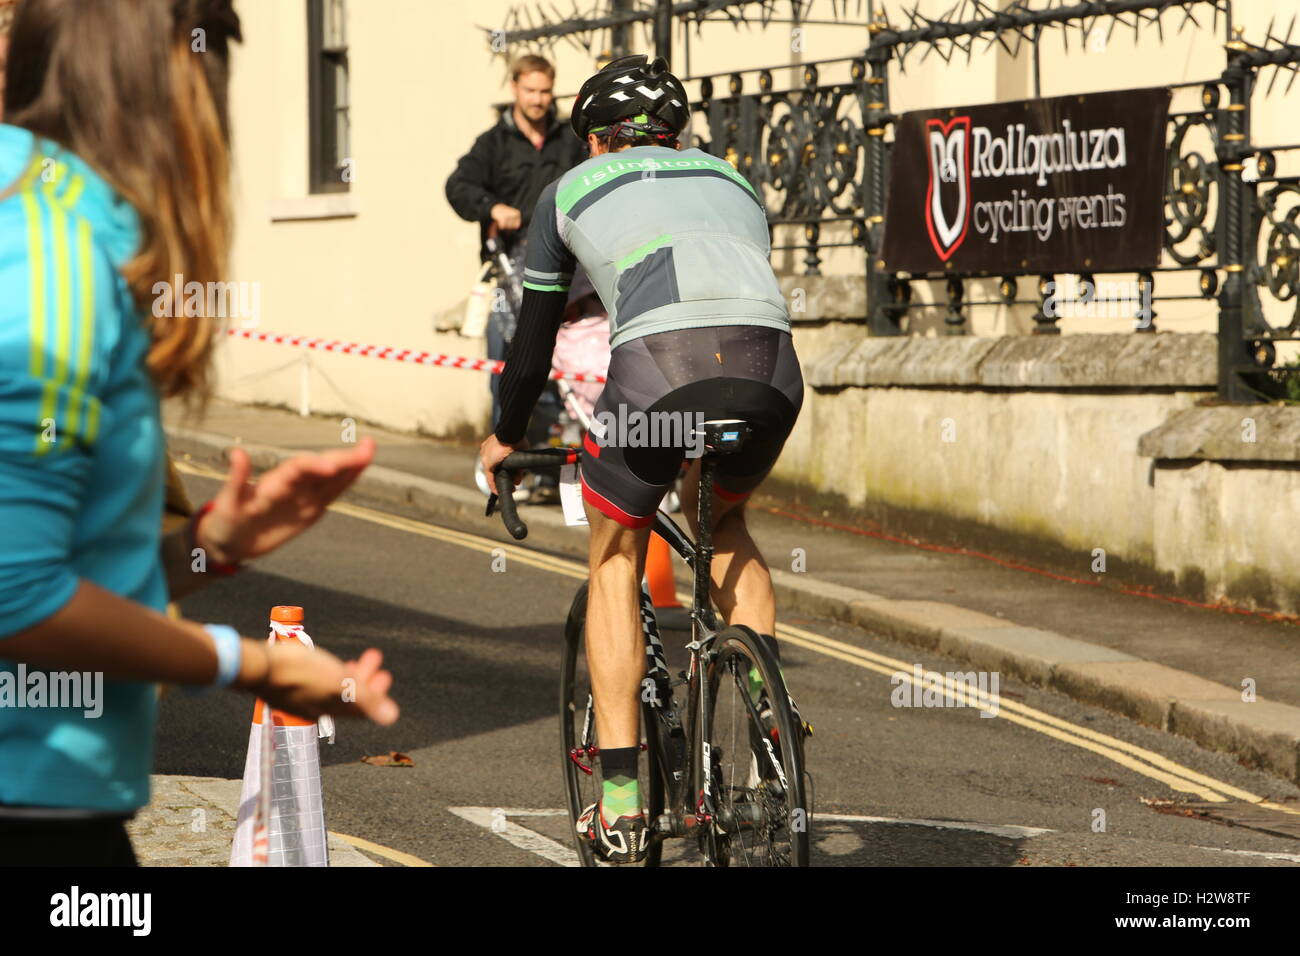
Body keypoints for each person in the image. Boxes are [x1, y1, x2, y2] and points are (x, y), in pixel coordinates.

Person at [0, 0, 398, 867]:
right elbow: (15, 595)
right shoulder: (52, 254)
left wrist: (210, 548)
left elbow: (54, 563)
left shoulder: (33, 218)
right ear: (164, 77)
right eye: (212, 74)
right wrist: (252, 665)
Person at [478, 54, 805, 863]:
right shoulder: (734, 182)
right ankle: (767, 723)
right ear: (674, 134)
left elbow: (533, 340)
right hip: (773, 374)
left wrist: (506, 434)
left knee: (617, 551)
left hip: (659, 375)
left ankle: (621, 802)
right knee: (723, 517)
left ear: (594, 139)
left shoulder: (569, 190)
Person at [446, 54, 587, 500]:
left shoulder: (570, 140)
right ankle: (505, 467)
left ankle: (547, 472)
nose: (539, 100)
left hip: (563, 274)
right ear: (514, 89)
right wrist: (491, 208)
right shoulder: (493, 143)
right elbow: (458, 186)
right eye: (531, 91)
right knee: (505, 373)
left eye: (546, 91)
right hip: (509, 278)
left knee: (554, 375)